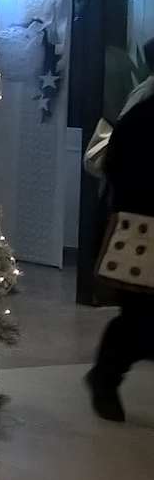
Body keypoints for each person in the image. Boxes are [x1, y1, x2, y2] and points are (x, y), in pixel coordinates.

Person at [88, 39, 154, 422]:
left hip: (137, 226)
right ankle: (105, 377)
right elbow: (118, 171)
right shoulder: (142, 115)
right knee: (139, 318)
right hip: (141, 233)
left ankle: (106, 377)